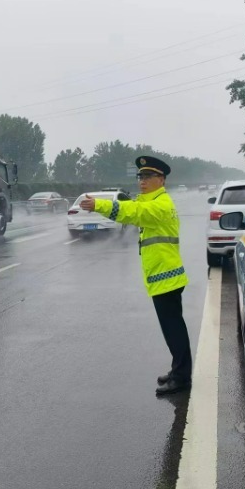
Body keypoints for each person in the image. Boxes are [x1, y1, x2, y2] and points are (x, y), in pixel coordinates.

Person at [80, 156, 191, 395]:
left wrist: (100, 205)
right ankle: (178, 370)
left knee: (174, 330)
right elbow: (136, 208)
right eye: (140, 176)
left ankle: (181, 377)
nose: (142, 181)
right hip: (162, 277)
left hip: (166, 278)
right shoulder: (154, 201)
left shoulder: (160, 204)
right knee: (172, 329)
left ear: (161, 180)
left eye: (148, 177)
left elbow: (134, 212)